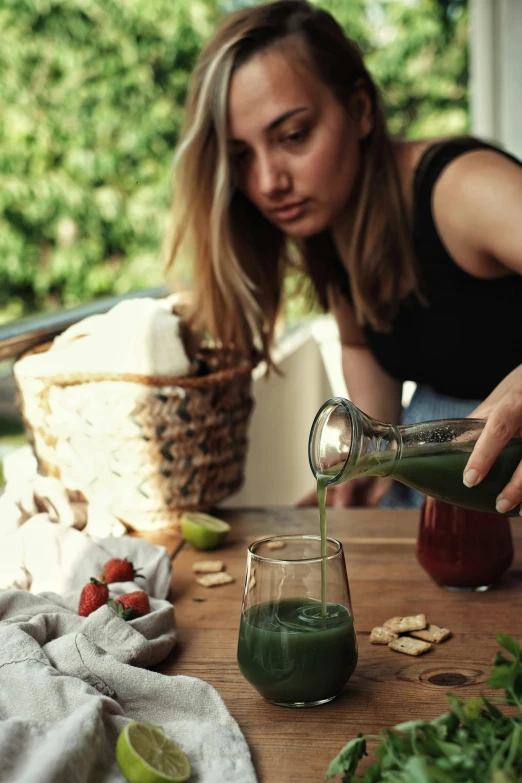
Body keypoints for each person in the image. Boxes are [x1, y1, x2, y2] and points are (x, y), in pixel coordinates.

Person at [165, 0, 522, 511]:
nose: (268, 183)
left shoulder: (459, 189)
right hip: (463, 489)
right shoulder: (331, 229)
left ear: (359, 110)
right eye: (241, 157)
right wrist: (362, 468)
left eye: (293, 136)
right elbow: (364, 352)